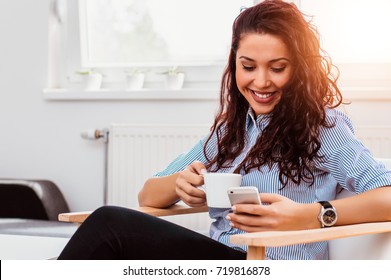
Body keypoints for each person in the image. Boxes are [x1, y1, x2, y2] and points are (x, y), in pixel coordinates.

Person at [58, 0, 391, 260]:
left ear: (300, 70)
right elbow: (147, 195)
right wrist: (180, 183)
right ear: (234, 65)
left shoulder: (321, 126)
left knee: (110, 227)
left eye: (277, 68)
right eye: (248, 66)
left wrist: (308, 215)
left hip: (268, 265)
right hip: (223, 260)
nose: (261, 82)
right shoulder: (230, 131)